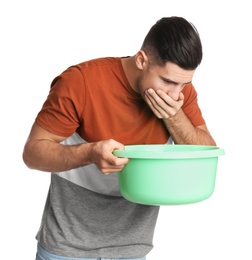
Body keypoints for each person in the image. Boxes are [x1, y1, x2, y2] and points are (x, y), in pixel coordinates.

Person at [23, 16, 216, 260]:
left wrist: (174, 118)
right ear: (141, 60)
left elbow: (206, 155)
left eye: (184, 84)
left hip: (132, 249)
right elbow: (32, 153)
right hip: (67, 247)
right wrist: (90, 152)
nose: (175, 94)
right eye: (167, 81)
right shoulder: (80, 82)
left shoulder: (180, 94)